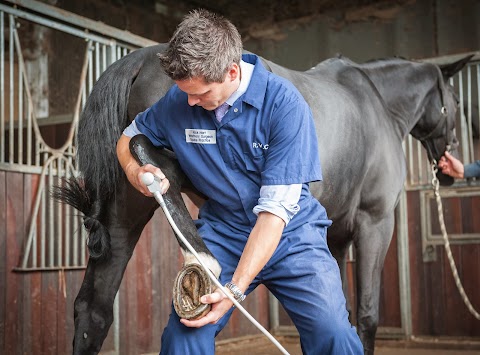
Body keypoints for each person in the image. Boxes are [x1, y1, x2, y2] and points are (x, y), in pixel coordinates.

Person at [116, 9, 363, 355]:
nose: (189, 102)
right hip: (225, 232)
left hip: (291, 234)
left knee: (333, 333)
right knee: (184, 335)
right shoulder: (180, 99)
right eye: (184, 92)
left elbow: (274, 214)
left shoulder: (284, 105)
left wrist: (233, 288)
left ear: (232, 72)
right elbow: (130, 136)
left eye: (200, 93)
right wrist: (133, 171)